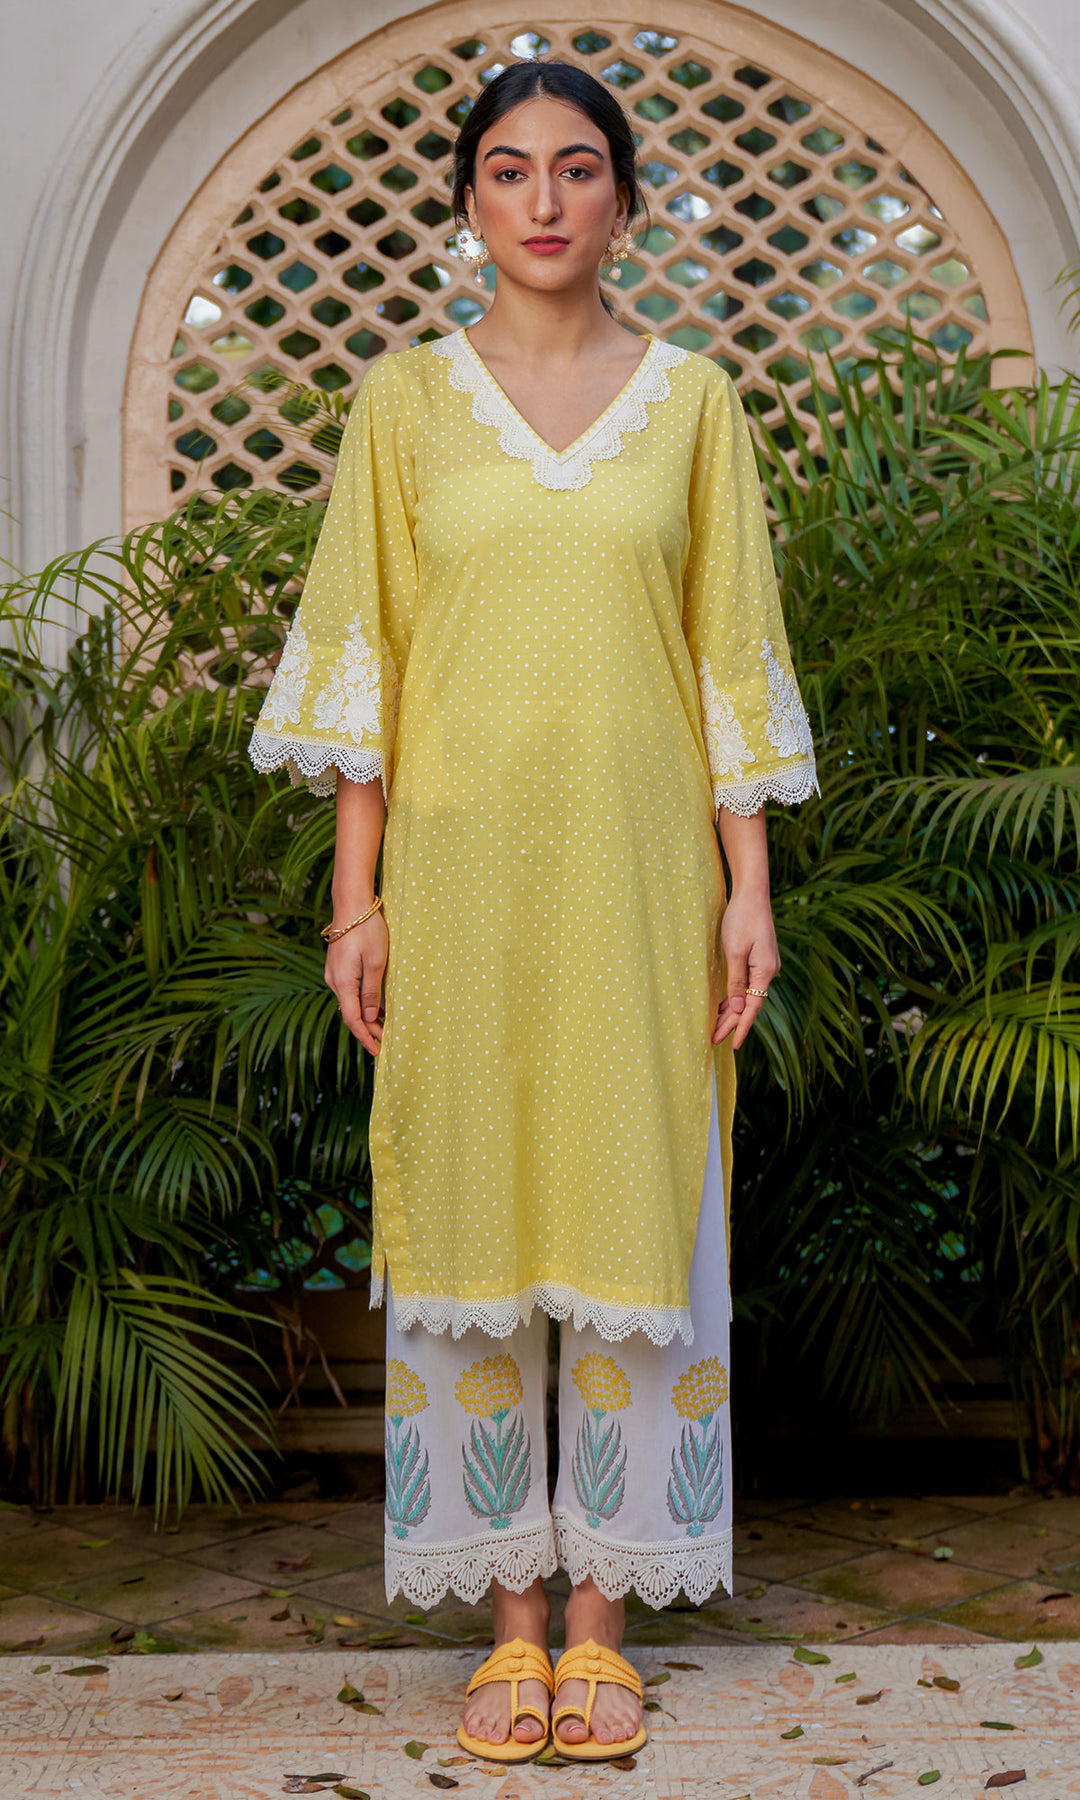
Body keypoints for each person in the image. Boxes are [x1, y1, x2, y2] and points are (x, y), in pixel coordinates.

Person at [249, 55, 817, 1765]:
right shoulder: (402, 407)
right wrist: (355, 902)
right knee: (470, 1203)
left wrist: (749, 890)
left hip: (643, 876)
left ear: (626, 200)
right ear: (469, 201)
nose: (546, 198)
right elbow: (367, 654)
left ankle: (605, 1622)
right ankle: (510, 1621)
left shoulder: (695, 405)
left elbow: (729, 655)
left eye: (578, 167)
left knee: (640, 1207)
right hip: (460, 877)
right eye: (509, 168)